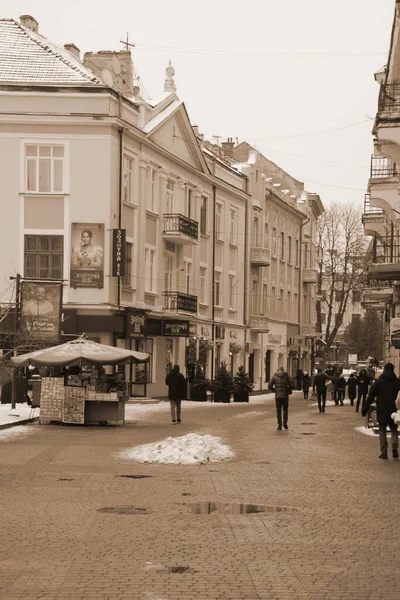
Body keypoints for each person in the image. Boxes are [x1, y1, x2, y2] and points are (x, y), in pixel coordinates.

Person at [362, 363, 399, 460]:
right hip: (394, 410)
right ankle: (394, 448)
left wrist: (365, 409)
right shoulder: (398, 382)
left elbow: (371, 396)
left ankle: (384, 452)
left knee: (382, 430)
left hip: (382, 409)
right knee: (394, 429)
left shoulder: (378, 382)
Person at [268, 366, 292, 430]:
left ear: (277, 370)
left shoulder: (274, 376)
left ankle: (279, 425)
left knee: (278, 410)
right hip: (285, 396)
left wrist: (275, 391)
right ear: (283, 370)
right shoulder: (287, 376)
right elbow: (291, 383)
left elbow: (269, 385)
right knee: (285, 410)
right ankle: (285, 423)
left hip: (278, 396)